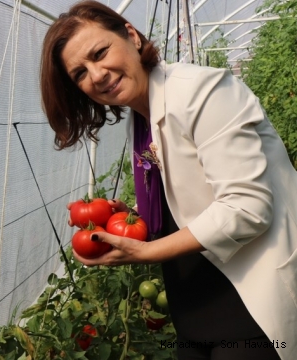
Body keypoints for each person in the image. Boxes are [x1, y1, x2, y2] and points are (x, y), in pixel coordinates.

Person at [40, 1, 297, 359]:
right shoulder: (141, 117)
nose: (96, 75)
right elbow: (189, 197)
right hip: (194, 304)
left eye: (100, 53)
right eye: (80, 73)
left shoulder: (203, 92)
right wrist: (131, 215)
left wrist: (146, 252)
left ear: (130, 35)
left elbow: (247, 207)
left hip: (248, 303)